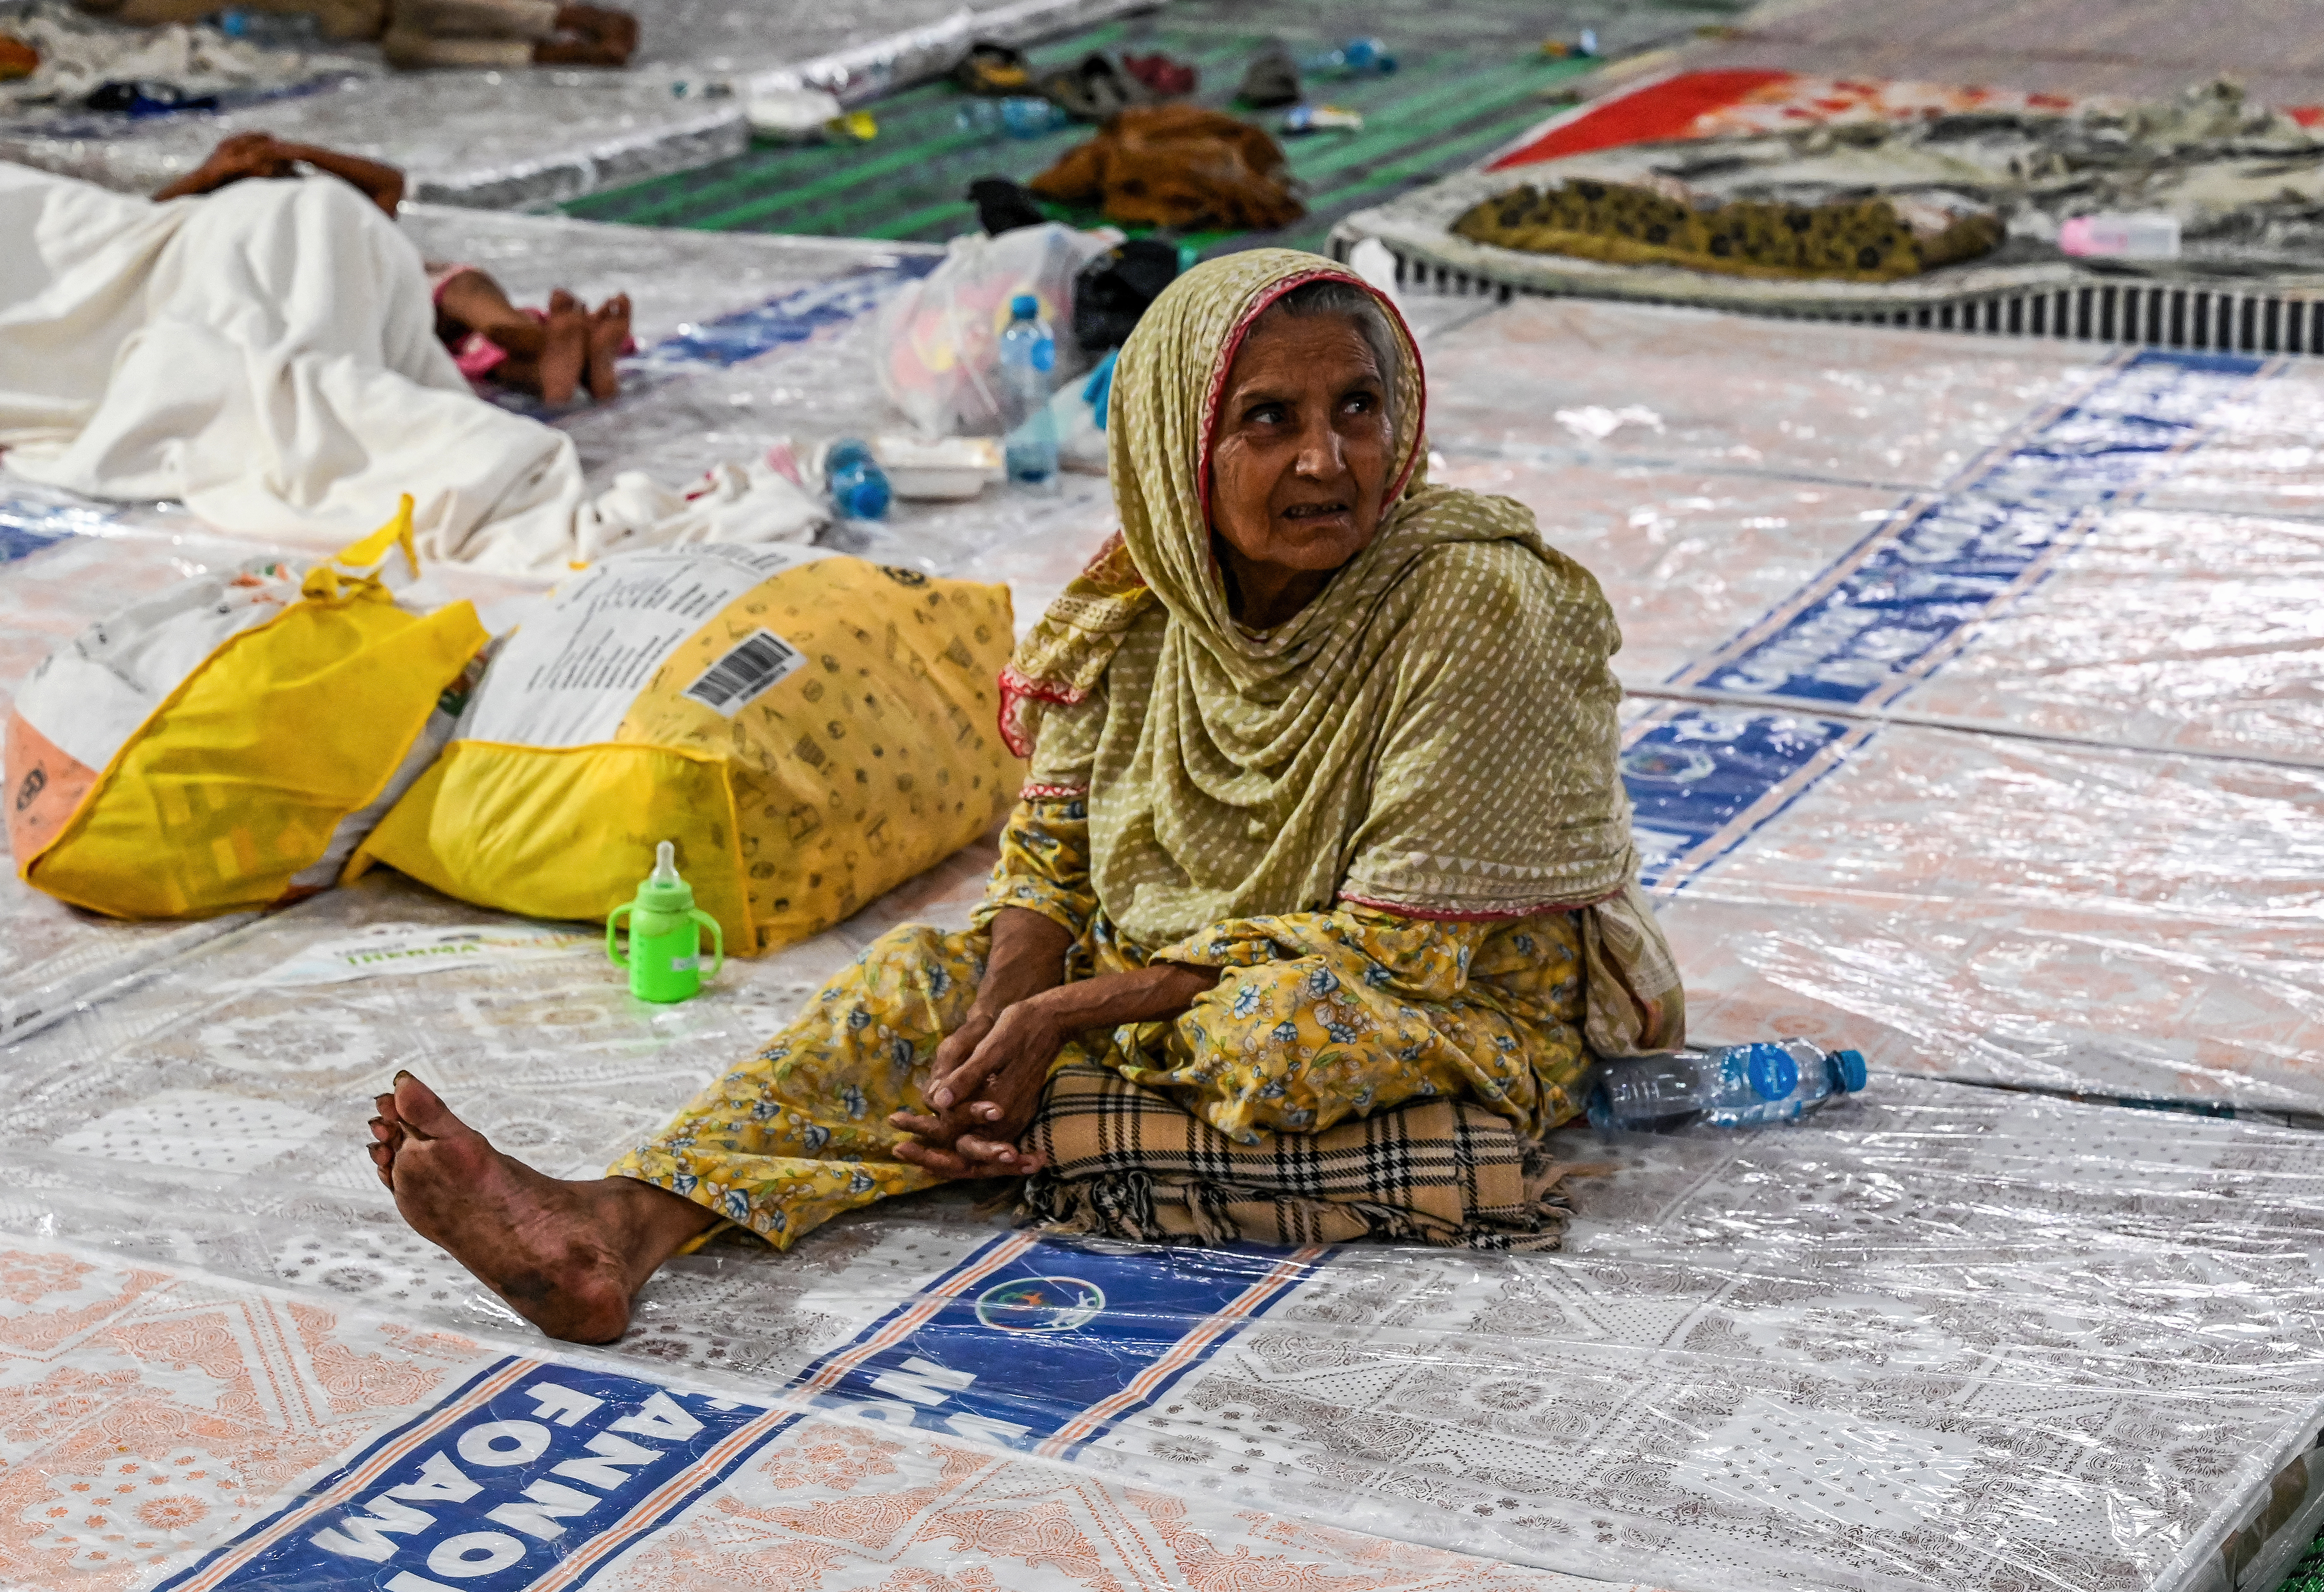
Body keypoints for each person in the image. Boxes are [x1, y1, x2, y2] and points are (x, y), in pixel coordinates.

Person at [367, 249, 1684, 1344]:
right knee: (913, 992)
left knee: (1273, 1038)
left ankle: (1043, 1121)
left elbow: (1408, 945)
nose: (1325, 461)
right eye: (1267, 420)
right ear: (1178, 442)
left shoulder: (1477, 599)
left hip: (1445, 996)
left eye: (1357, 409)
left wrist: (1063, 1013)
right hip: (1179, 962)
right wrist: (1005, 1001)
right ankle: (619, 1224)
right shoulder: (1139, 598)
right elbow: (1050, 853)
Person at [154, 133, 631, 404]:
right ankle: (575, 355)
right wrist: (210, 174)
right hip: (403, 307)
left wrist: (293, 153)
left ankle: (556, 359)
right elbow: (141, 229)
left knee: (481, 328)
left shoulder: (329, 216)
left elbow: (389, 183)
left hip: (414, 296)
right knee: (484, 336)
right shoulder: (244, 236)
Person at [74, 0, 637, 70]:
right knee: (409, 50)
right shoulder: (152, 10)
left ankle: (576, 20)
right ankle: (557, 55)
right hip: (360, 25)